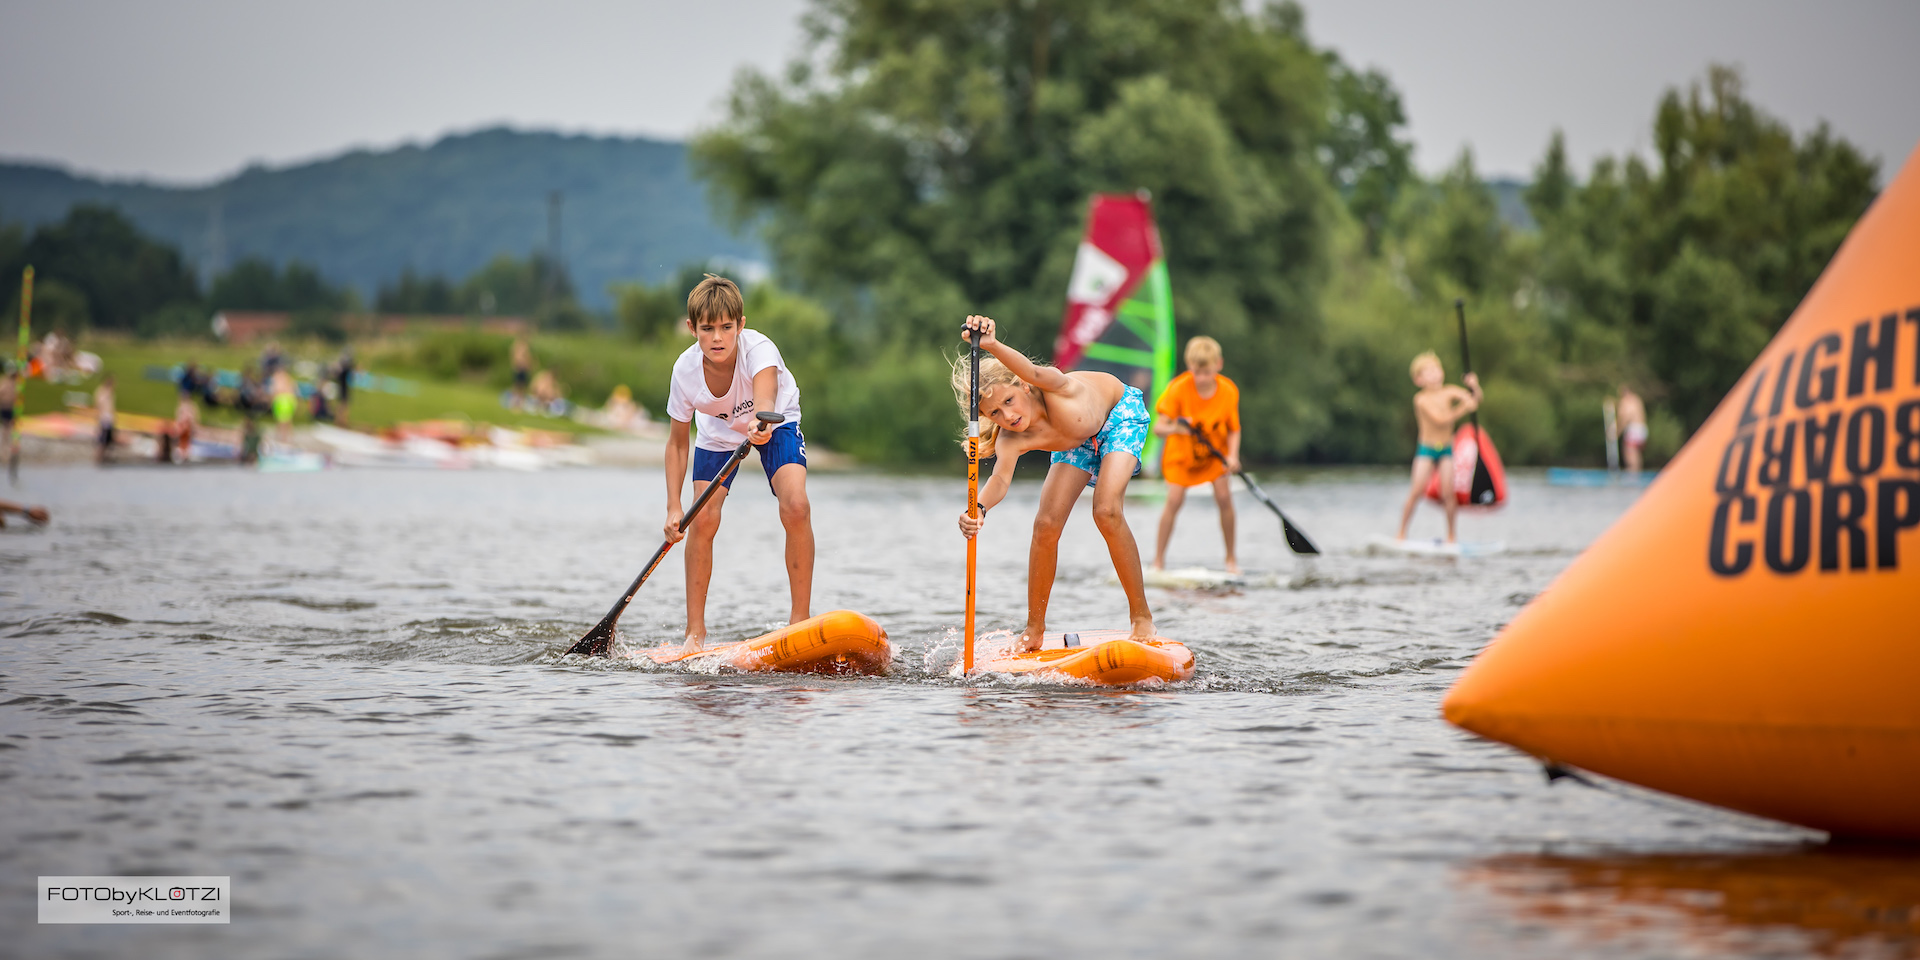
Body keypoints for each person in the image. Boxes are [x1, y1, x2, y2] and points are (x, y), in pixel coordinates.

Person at [952, 314, 1154, 652]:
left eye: (1008, 402)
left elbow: (1031, 369)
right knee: (1045, 525)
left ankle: (1141, 617)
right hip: (1076, 443)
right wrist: (979, 508)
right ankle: (1034, 629)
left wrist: (991, 345)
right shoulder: (1010, 439)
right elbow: (1000, 479)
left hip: (1119, 416)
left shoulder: (1054, 385)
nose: (1008, 417)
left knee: (1105, 511)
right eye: (994, 414)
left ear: (1023, 386)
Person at [661, 274, 813, 653]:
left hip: (775, 419)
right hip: (716, 433)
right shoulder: (684, 372)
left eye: (726, 328)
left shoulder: (759, 350)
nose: (717, 338)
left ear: (740, 326)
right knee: (704, 519)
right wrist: (674, 507)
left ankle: (800, 622)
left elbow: (766, 397)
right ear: (691, 328)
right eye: (707, 328)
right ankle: (694, 634)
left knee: (796, 506)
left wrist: (759, 423)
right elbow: (678, 444)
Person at [1151, 336, 1241, 574]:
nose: (1201, 378)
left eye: (1206, 372)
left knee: (1224, 497)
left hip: (1214, 456)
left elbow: (1234, 429)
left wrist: (1233, 456)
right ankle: (1158, 562)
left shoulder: (1229, 391)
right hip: (1181, 456)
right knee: (1174, 501)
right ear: (1189, 366)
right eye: (1196, 372)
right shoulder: (1179, 388)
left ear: (1218, 365)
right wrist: (1177, 428)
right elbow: (1159, 428)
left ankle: (1231, 560)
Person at [1396, 351, 1482, 544]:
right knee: (1416, 492)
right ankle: (1401, 533)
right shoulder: (1421, 399)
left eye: (1437, 369)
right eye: (1429, 372)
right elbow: (1440, 420)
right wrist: (1463, 408)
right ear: (1418, 380)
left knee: (1448, 495)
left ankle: (1452, 536)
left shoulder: (1449, 391)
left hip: (1446, 450)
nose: (1435, 374)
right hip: (1426, 450)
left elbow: (1476, 399)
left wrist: (1474, 386)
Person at [1617, 384, 1647, 474]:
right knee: (1637, 453)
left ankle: (1632, 475)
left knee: (1629, 453)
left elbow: (1626, 417)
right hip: (1642, 429)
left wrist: (1617, 431)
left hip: (1633, 429)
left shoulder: (1626, 402)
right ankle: (1637, 473)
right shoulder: (1637, 400)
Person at [269, 367, 298, 444]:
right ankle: (284, 437)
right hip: (284, 400)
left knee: (284, 420)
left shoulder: (280, 378)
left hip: (284, 400)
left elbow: (275, 391)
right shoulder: (284, 378)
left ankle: (284, 437)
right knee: (283, 420)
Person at [94, 374, 117, 465]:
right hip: (105, 419)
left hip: (108, 418)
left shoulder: (109, 392)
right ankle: (99, 458)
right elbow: (99, 405)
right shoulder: (103, 391)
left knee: (108, 440)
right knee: (102, 440)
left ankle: (103, 457)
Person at [173, 390, 199, 463]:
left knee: (186, 436)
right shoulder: (182, 407)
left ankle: (184, 452)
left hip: (187, 429)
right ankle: (183, 452)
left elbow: (192, 420)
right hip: (184, 430)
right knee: (183, 437)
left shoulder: (190, 407)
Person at [510, 336, 533, 409]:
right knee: (517, 386)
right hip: (519, 369)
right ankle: (514, 402)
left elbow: (527, 360)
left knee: (522, 387)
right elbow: (516, 359)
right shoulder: (519, 347)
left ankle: (520, 404)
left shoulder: (524, 348)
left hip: (523, 369)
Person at [334, 350, 355, 426]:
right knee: (344, 405)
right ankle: (343, 420)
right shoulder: (345, 370)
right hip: (344, 389)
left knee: (341, 405)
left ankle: (339, 420)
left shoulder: (341, 370)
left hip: (341, 388)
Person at [0, 368, 17, 457]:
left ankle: (9, 446)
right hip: (5, 406)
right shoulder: (6, 382)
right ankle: (4, 447)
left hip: (12, 407)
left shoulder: (15, 383)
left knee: (10, 426)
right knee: (6, 426)